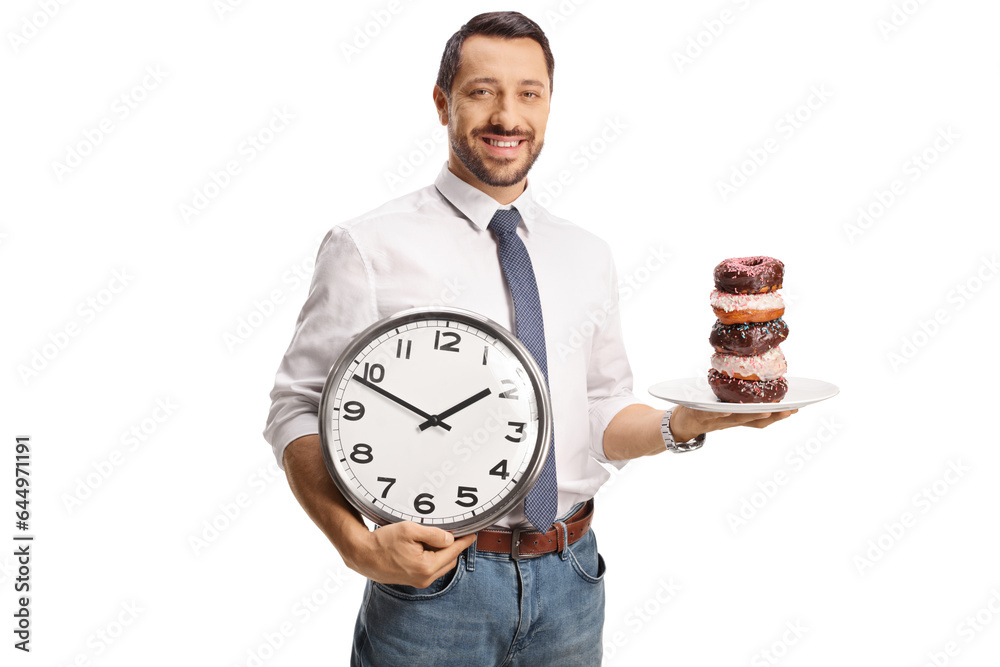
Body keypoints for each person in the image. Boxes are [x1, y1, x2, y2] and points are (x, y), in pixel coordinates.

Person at [263, 11, 796, 666]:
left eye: (529, 93)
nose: (507, 115)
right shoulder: (369, 246)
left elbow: (599, 414)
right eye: (482, 90)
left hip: (572, 577)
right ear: (442, 102)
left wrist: (686, 421)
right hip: (436, 584)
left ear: (548, 105)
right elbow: (296, 408)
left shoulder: (585, 253)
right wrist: (355, 544)